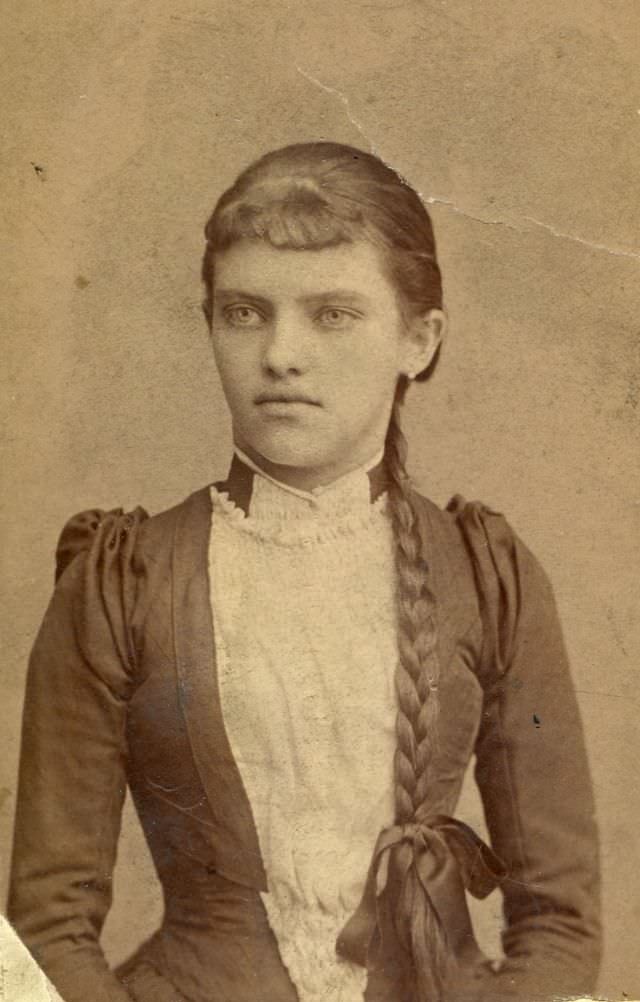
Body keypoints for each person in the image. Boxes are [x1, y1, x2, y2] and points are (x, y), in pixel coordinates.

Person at [7, 142, 601, 1002]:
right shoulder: (124, 580)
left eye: (332, 315)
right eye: (246, 312)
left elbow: (559, 920)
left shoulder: (486, 575)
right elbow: (47, 924)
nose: (282, 355)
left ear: (418, 340)